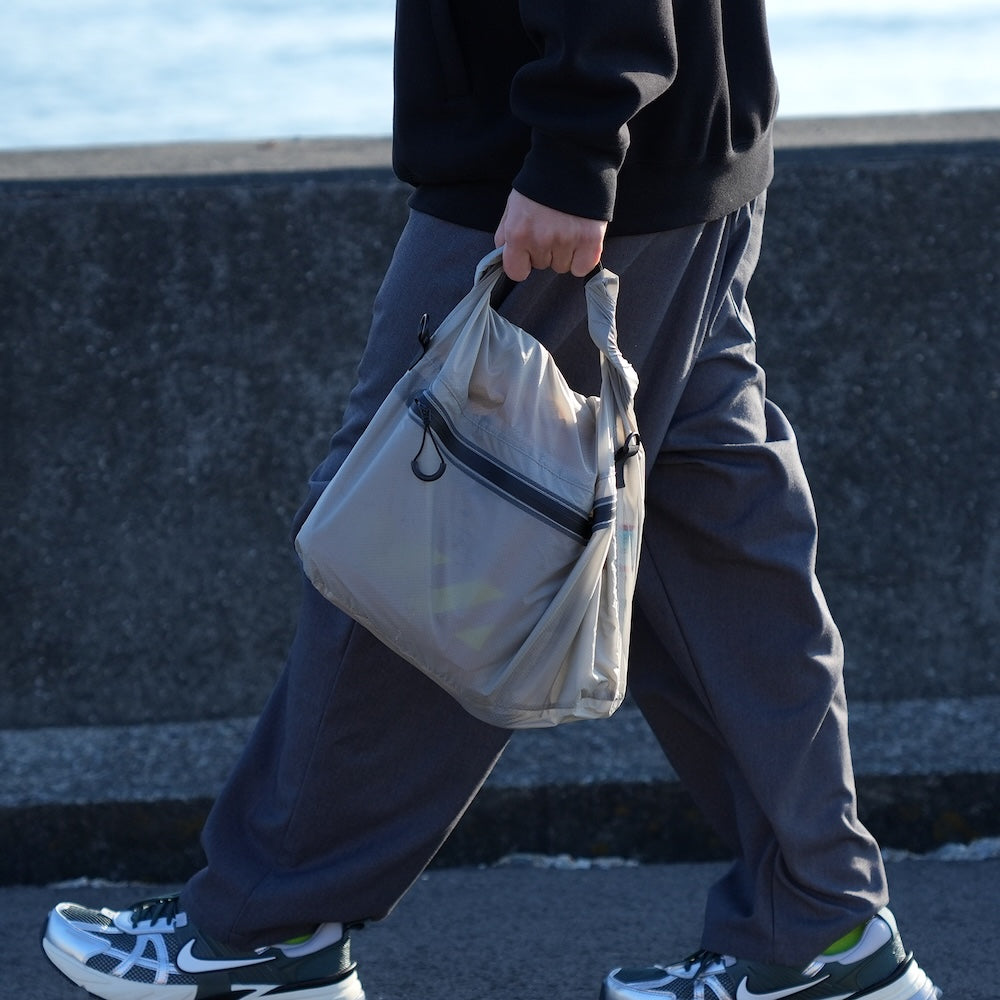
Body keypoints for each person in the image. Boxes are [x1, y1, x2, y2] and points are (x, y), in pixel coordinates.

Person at [41, 2, 941, 999]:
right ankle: (819, 926)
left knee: (410, 531)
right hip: (679, 153)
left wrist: (576, 141)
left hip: (563, 171)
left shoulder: (573, 146)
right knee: (712, 558)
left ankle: (266, 926)